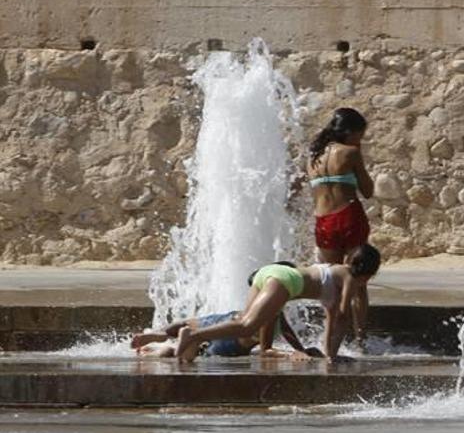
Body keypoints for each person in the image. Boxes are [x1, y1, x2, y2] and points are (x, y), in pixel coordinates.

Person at [174, 244, 381, 364]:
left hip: (270, 272)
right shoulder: (351, 278)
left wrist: (329, 355)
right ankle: (193, 335)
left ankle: (194, 336)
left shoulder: (334, 271)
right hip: (286, 280)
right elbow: (343, 317)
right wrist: (334, 356)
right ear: (369, 273)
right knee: (248, 326)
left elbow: (332, 320)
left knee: (245, 326)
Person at [307, 108, 374, 349]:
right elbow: (368, 190)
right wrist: (359, 154)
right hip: (348, 216)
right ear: (349, 132)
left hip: (323, 222)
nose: (361, 140)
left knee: (330, 282)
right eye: (360, 134)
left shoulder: (312, 157)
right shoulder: (351, 152)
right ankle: (360, 339)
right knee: (357, 281)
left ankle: (332, 339)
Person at [129, 310, 321, 360]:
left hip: (229, 319)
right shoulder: (275, 312)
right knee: (192, 354)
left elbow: (286, 331)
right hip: (234, 343)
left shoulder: (265, 301)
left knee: (188, 323)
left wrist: (300, 349)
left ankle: (159, 335)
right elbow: (266, 351)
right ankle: (164, 350)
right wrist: (294, 353)